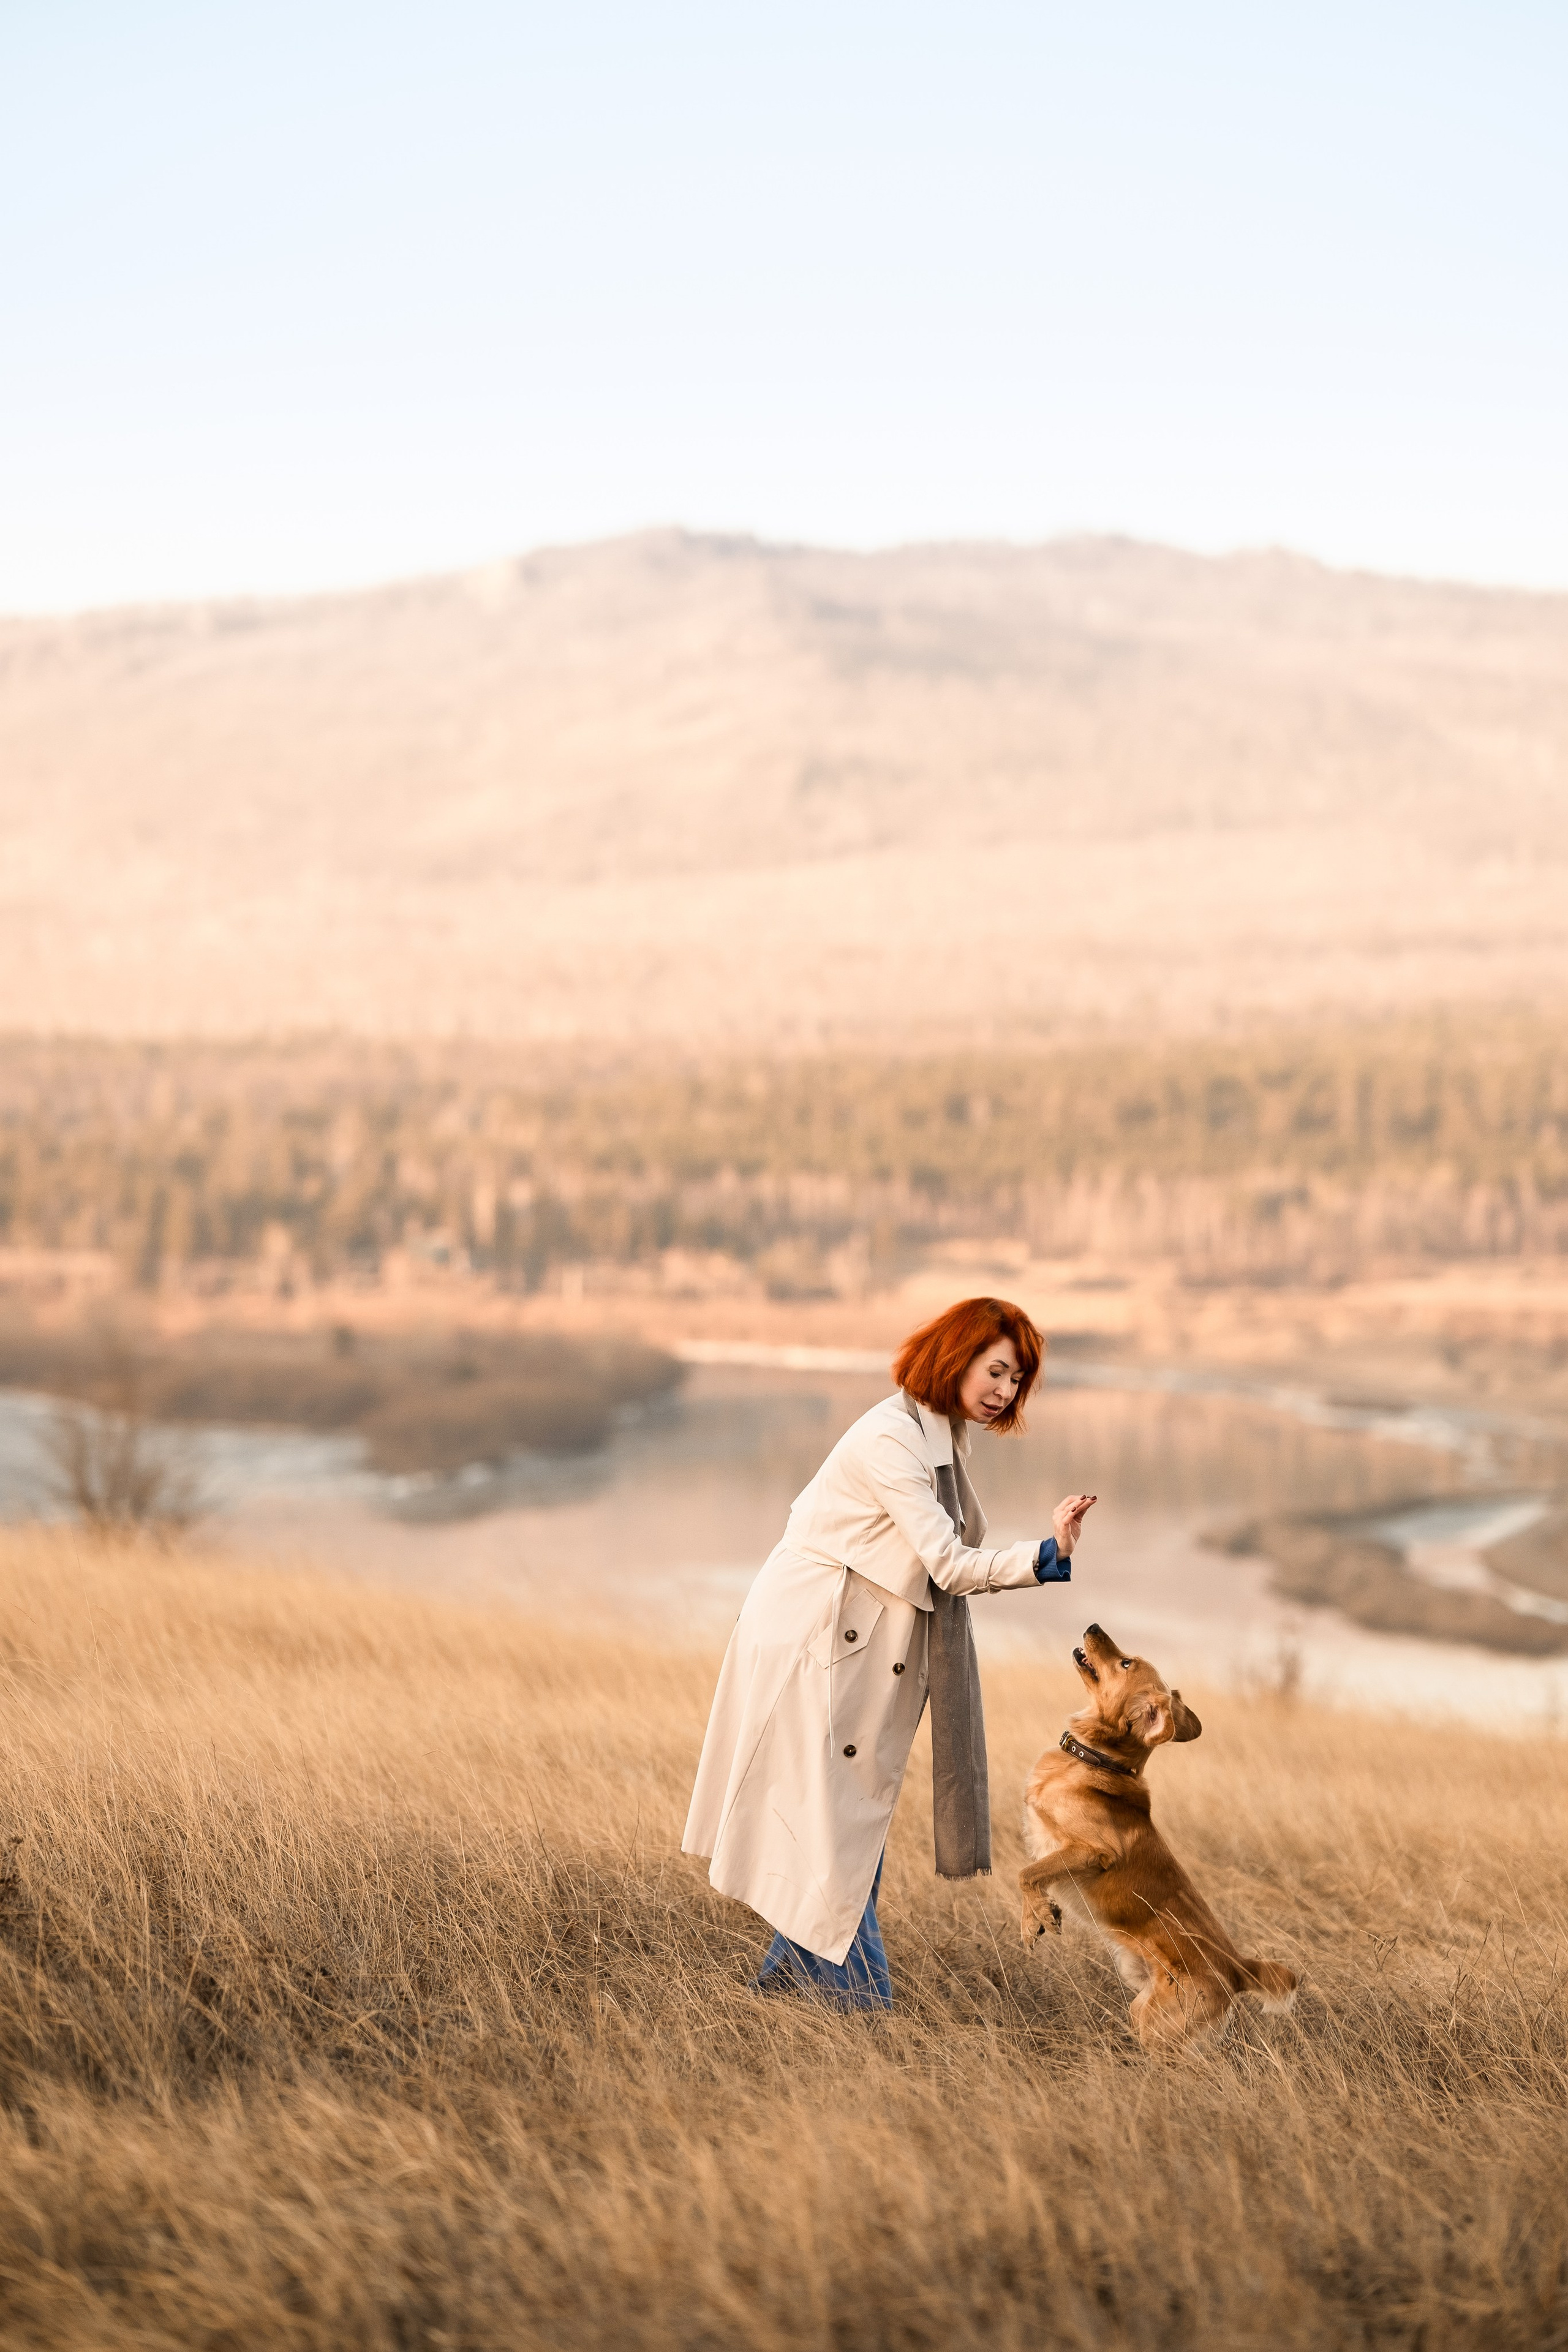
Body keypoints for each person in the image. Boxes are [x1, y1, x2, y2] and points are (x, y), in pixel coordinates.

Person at [682, 1296, 1096, 2010]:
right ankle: (865, 2012)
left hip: (854, 1644)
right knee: (836, 1838)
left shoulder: (936, 1438)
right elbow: (947, 1564)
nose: (1004, 1392)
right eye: (995, 1371)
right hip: (816, 1648)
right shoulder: (891, 1440)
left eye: (1016, 1380)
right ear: (955, 1357)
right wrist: (1047, 1553)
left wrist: (1048, 1551)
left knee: (842, 1836)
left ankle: (774, 1994)